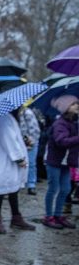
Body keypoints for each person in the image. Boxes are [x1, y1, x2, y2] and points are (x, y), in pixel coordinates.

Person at [42, 95, 79, 229]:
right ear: (66, 108)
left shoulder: (73, 122)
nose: (77, 106)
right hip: (55, 161)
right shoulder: (60, 124)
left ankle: (58, 215)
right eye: (74, 104)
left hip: (66, 162)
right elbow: (61, 141)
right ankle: (48, 216)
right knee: (53, 189)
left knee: (66, 189)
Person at [19, 105, 41, 195]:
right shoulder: (14, 114)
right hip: (19, 142)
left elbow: (34, 129)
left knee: (31, 164)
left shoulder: (27, 113)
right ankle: (20, 184)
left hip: (29, 142)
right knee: (21, 164)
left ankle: (31, 185)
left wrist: (31, 142)